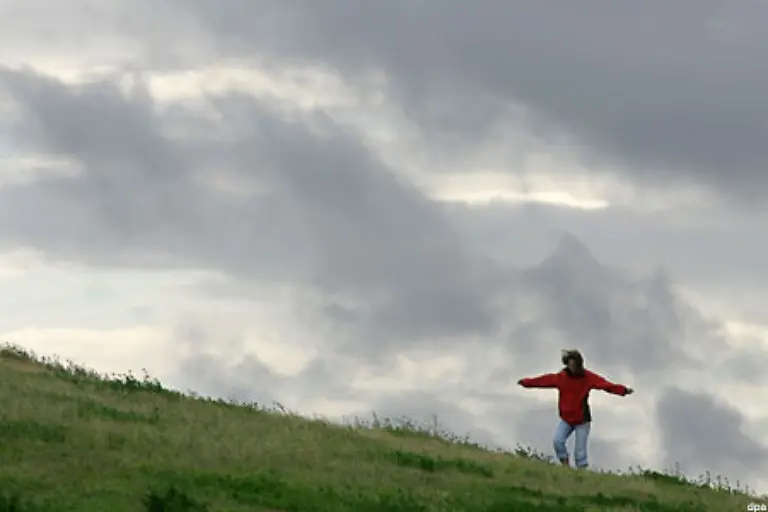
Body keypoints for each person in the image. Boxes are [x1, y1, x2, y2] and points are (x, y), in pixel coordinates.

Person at [517, 349, 633, 469]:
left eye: (574, 365)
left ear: (579, 365)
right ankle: (565, 466)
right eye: (570, 365)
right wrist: (526, 382)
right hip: (567, 419)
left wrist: (623, 390)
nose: (572, 368)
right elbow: (543, 381)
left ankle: (581, 474)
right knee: (558, 441)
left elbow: (606, 385)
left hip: (582, 420)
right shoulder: (561, 377)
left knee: (580, 453)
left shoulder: (588, 377)